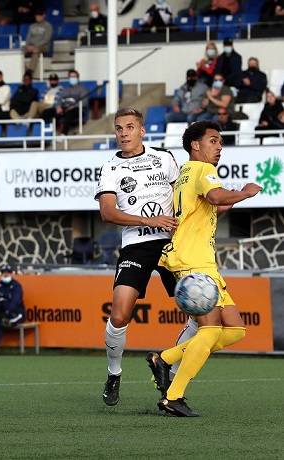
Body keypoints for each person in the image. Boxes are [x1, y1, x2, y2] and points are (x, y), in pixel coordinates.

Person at [147, 121, 262, 417]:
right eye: (213, 141)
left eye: (220, 142)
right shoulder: (203, 170)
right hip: (194, 261)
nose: (219, 146)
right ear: (195, 145)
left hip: (199, 261)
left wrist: (231, 198)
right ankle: (173, 396)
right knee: (210, 330)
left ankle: (166, 357)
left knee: (235, 330)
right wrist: (244, 192)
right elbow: (215, 197)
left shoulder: (186, 173)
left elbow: (211, 206)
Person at [95, 107, 190, 406]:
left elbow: (183, 197)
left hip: (172, 244)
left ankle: (169, 371)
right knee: (119, 314)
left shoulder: (164, 158)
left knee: (199, 316)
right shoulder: (111, 167)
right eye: (119, 128)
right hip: (137, 245)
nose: (124, 133)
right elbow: (108, 213)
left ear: (142, 130)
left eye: (130, 127)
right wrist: (151, 221)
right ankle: (114, 373)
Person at [54, 70, 88, 134]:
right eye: (71, 77)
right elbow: (59, 99)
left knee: (69, 114)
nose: (72, 78)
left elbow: (84, 102)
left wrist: (73, 106)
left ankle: (63, 134)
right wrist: (58, 106)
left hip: (77, 109)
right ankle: (48, 133)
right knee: (49, 112)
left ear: (77, 78)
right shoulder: (65, 89)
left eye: (74, 77)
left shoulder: (82, 89)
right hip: (64, 108)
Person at [23, 9, 53, 74]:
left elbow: (46, 39)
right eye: (36, 16)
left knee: (36, 51)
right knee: (20, 51)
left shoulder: (48, 26)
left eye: (39, 16)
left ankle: (30, 71)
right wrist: (27, 45)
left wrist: (34, 46)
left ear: (43, 16)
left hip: (43, 46)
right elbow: (28, 38)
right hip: (31, 45)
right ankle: (23, 68)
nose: (37, 18)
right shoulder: (32, 26)